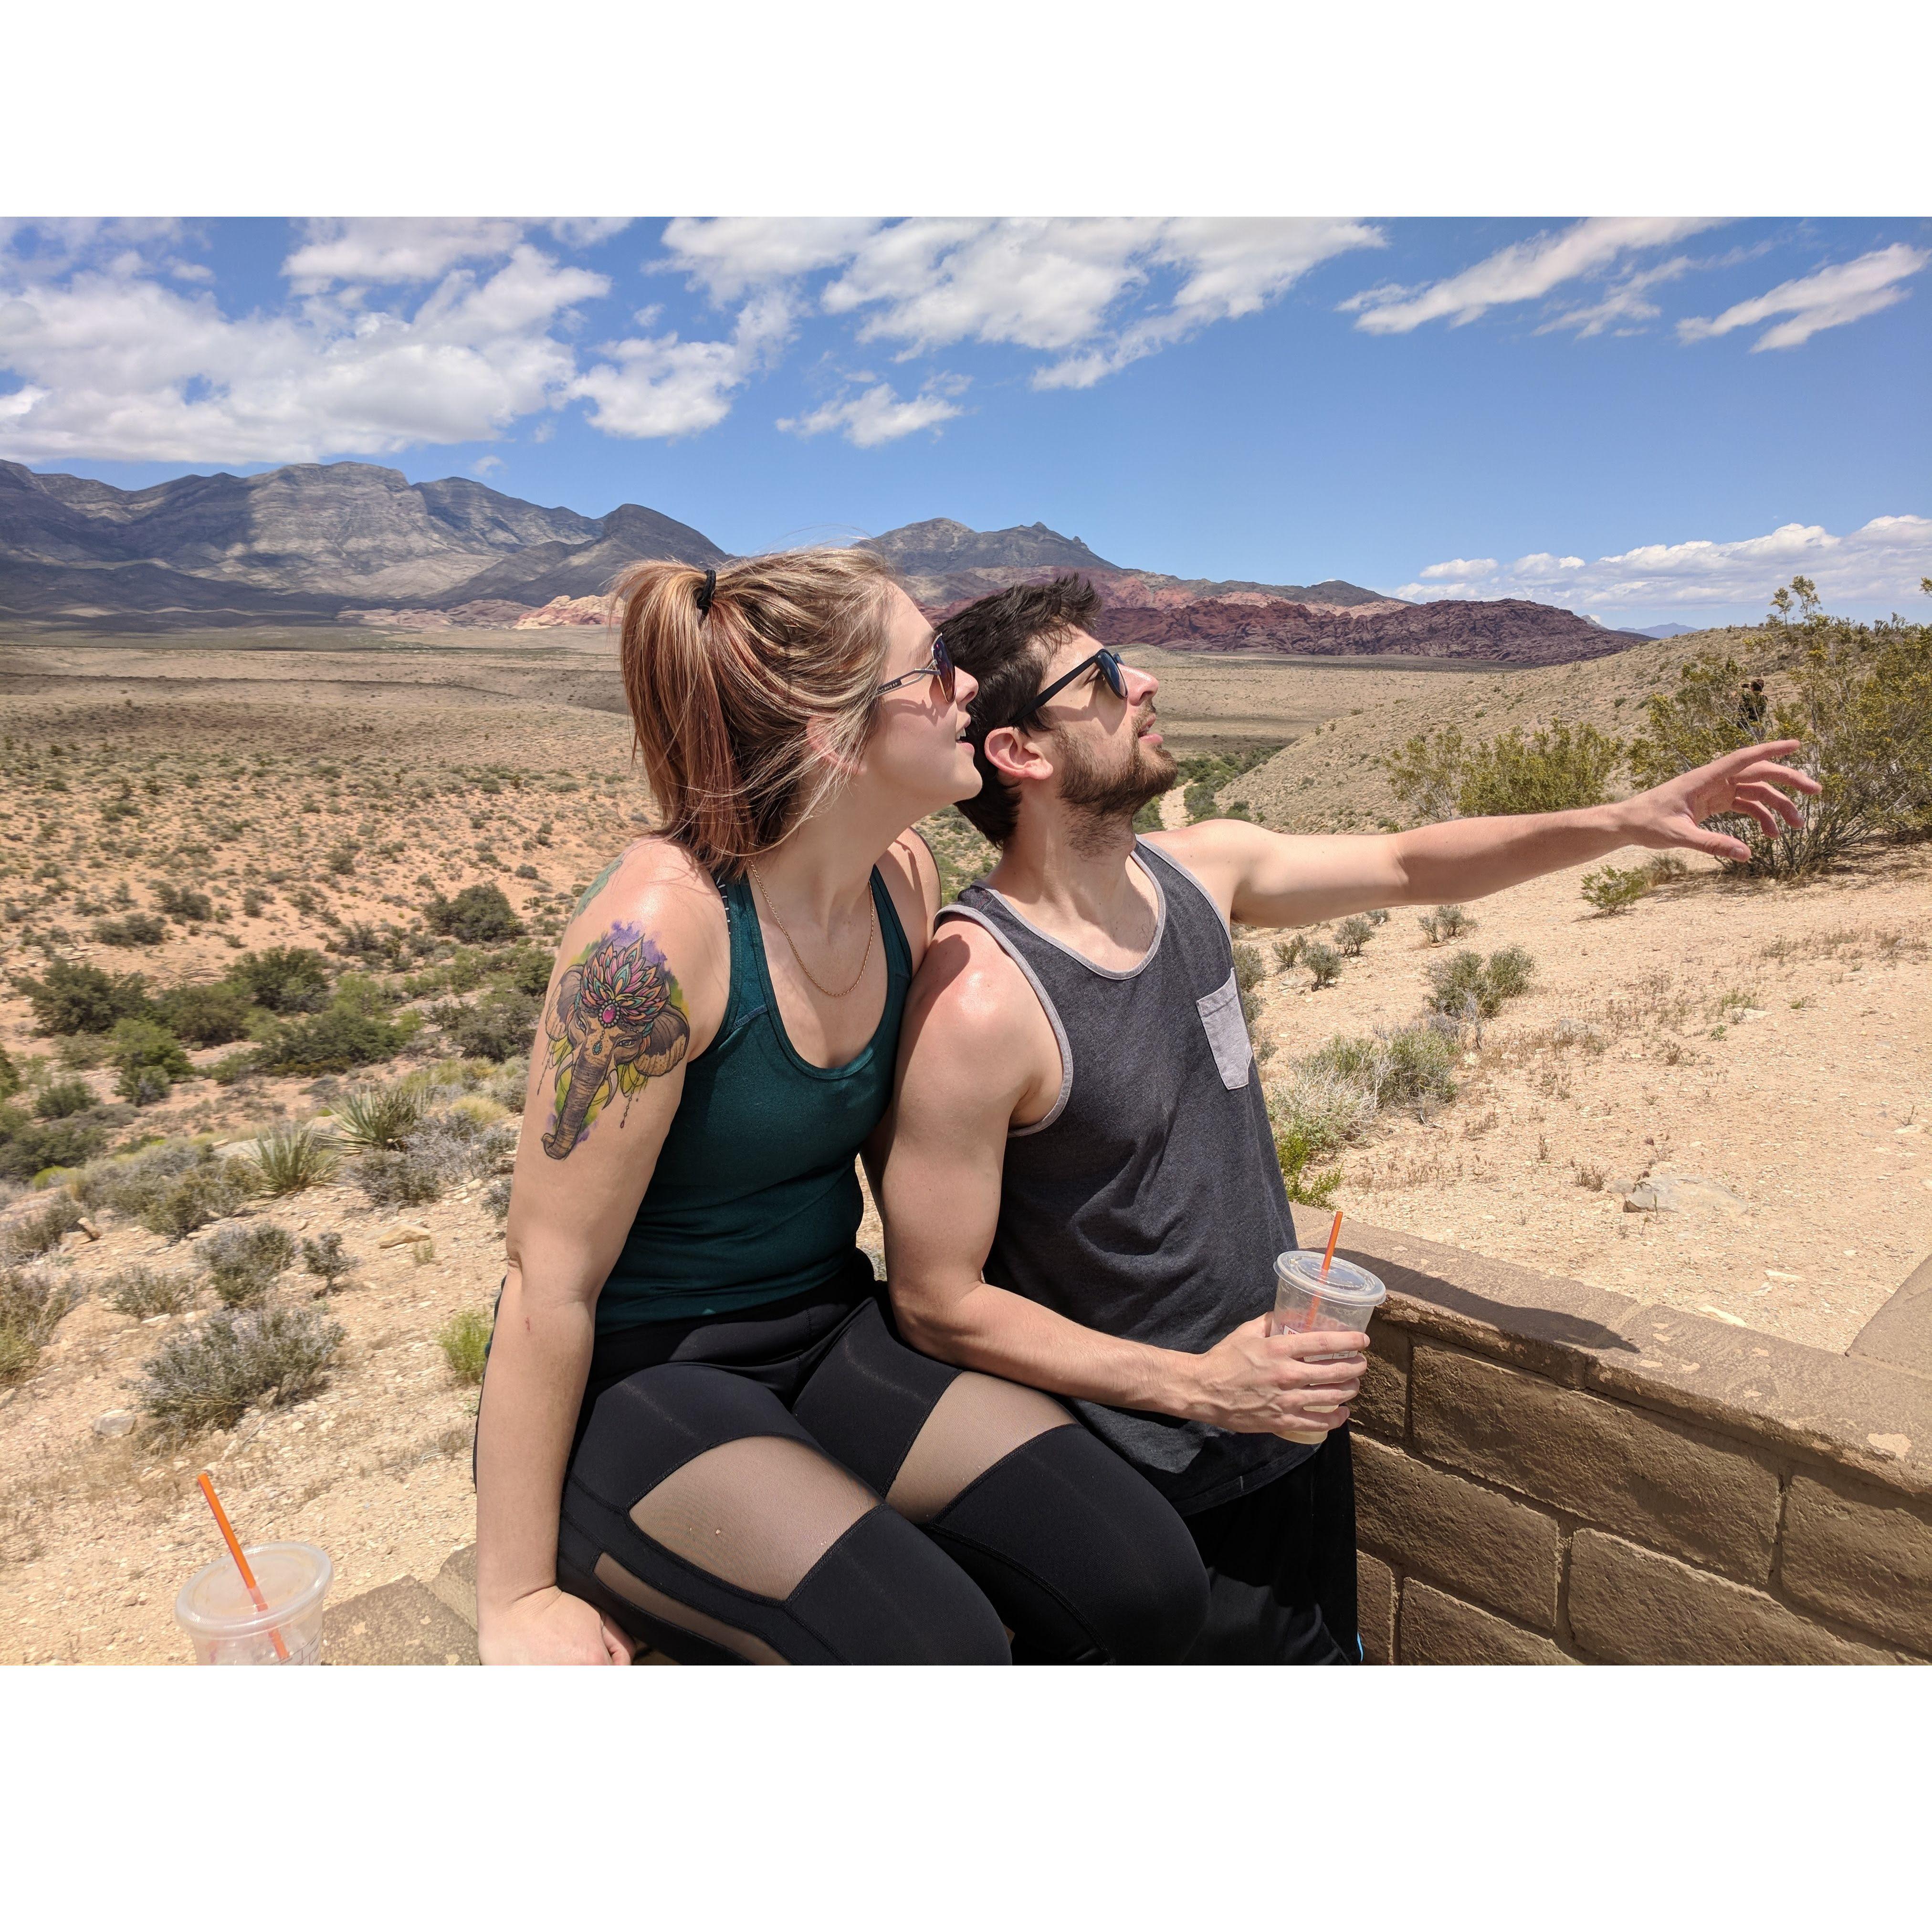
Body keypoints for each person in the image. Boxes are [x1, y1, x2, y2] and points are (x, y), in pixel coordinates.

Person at [881, 574, 1820, 1664]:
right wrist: (1195, 1384)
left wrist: (1613, 821)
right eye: (1098, 678)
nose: (1144, 683)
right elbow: (934, 1302)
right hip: (1144, 1481)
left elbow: (1410, 863)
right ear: (1021, 753)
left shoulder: (1198, 872)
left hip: (1287, 1430)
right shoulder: (982, 1000)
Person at [474, 550, 1209, 1665]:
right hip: (651, 1381)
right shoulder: (659, 935)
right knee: (937, 1649)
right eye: (935, 669)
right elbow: (547, 1276)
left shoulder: (899, 878)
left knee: (1142, 1577)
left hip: (827, 1326)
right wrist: (514, 1596)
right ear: (831, 732)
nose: (966, 687)